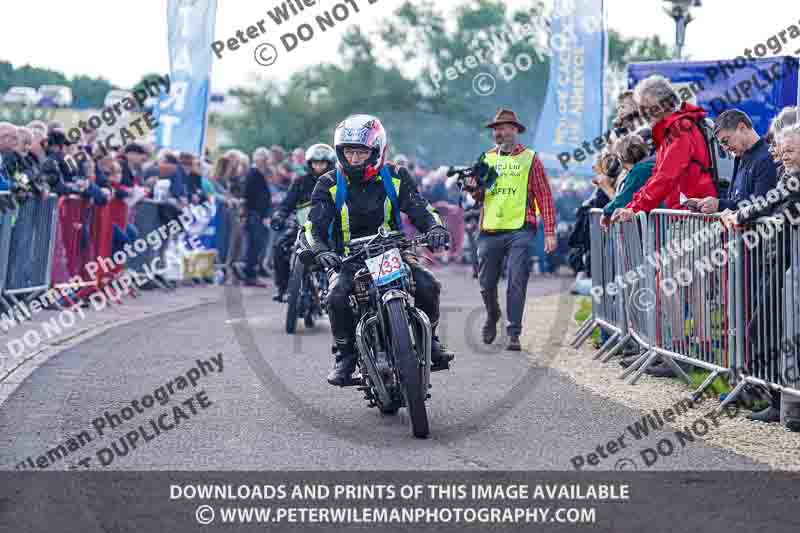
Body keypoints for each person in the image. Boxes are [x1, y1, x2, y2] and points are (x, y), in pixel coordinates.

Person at [307, 114, 453, 386]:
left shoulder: (396, 176)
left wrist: (434, 228)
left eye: (361, 152)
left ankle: (430, 340)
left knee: (428, 284)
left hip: (393, 250)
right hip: (347, 258)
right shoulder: (328, 183)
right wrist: (320, 251)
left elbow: (420, 207)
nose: (354, 158)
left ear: (377, 150)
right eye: (349, 152)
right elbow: (313, 225)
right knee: (336, 298)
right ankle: (346, 356)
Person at [465, 109, 557, 351]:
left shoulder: (530, 158)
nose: (499, 132)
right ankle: (493, 314)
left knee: (517, 280)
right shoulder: (485, 159)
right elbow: (479, 196)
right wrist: (473, 189)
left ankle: (513, 332)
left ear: (516, 130)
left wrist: (549, 231)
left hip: (521, 228)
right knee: (486, 283)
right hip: (490, 229)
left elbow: (544, 195)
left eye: (505, 127)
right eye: (496, 128)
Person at [611, 75, 718, 222]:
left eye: (646, 107)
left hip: (692, 217)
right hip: (686, 215)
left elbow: (665, 177)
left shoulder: (680, 129)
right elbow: (657, 177)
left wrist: (634, 209)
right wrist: (632, 207)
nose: (642, 114)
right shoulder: (671, 130)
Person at [270, 143, 336, 302]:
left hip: (329, 230)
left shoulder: (337, 182)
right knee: (280, 246)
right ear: (309, 163)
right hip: (302, 227)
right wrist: (279, 215)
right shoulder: (300, 182)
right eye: (315, 162)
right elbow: (287, 203)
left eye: (322, 163)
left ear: (330, 164)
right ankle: (283, 288)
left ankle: (336, 288)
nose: (318, 166)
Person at [691, 109, 778, 214]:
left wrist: (719, 205)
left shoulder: (767, 158)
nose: (725, 149)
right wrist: (707, 204)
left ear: (742, 128)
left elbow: (761, 206)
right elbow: (736, 201)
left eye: (726, 141)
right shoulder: (740, 158)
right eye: (721, 145)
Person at [242, 147, 273, 287]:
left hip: (258, 214)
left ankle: (252, 273)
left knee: (257, 244)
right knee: (254, 245)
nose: (267, 162)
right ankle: (250, 275)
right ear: (260, 159)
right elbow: (251, 196)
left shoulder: (257, 173)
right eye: (265, 159)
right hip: (255, 214)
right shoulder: (254, 174)